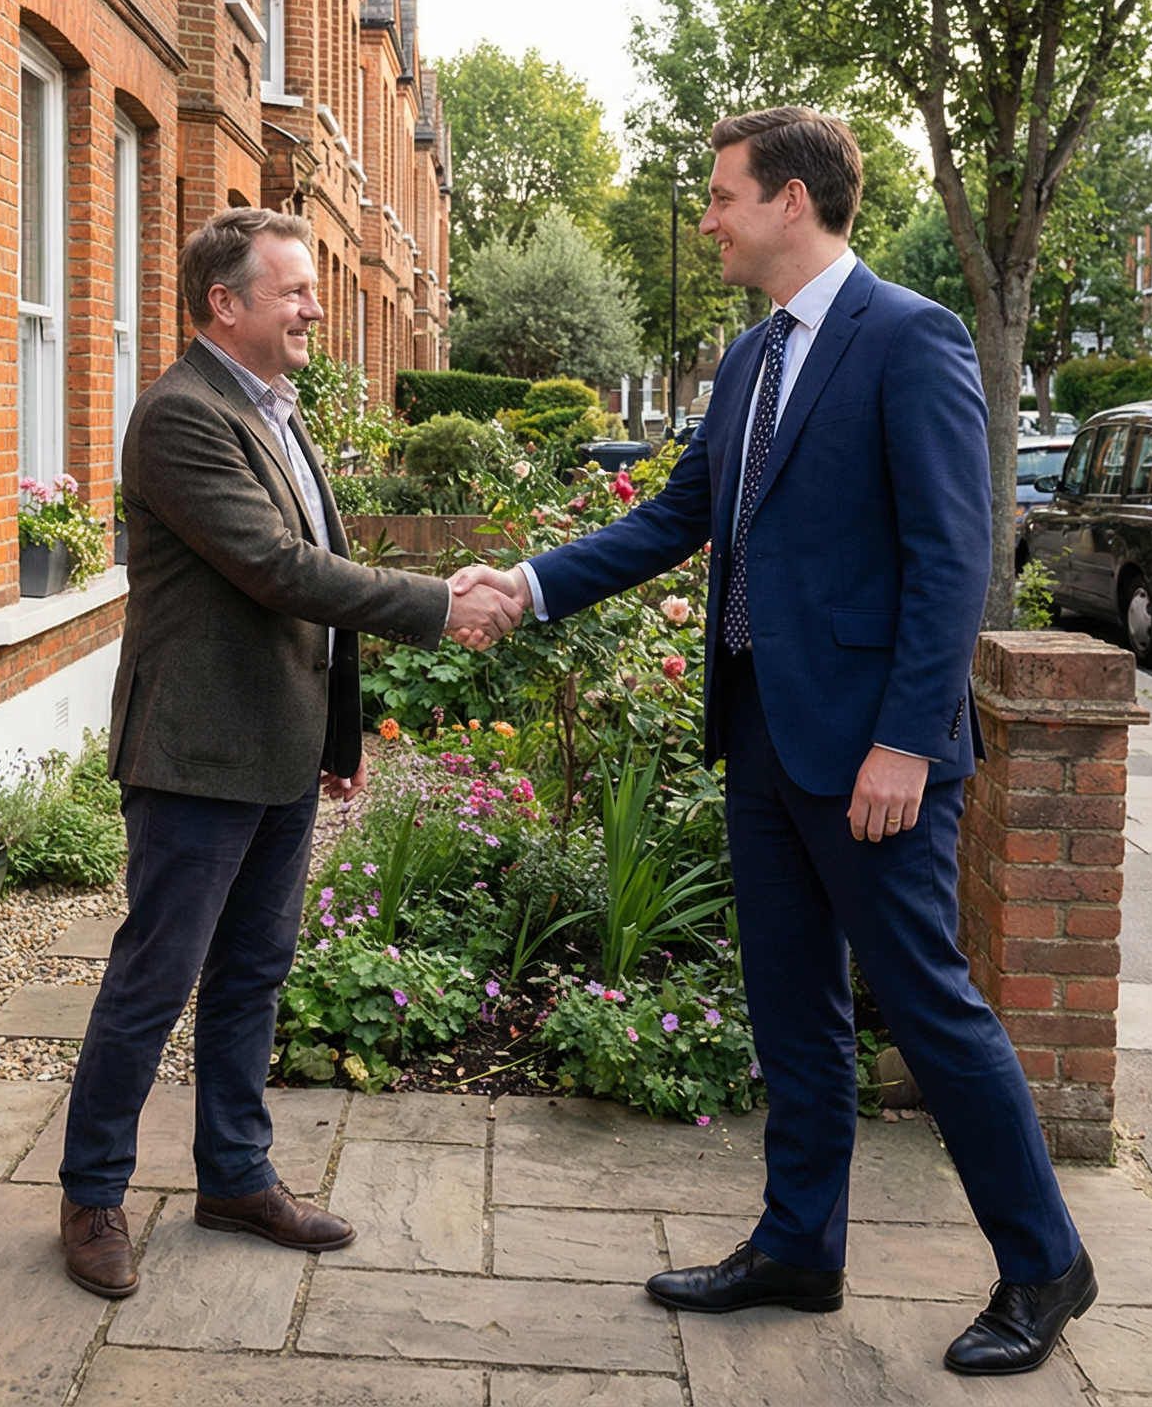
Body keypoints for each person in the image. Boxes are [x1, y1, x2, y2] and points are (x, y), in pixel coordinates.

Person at [453, 107, 1094, 1376]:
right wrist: (526, 584)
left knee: (929, 1005)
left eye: (722, 196)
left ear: (790, 200)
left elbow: (953, 556)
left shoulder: (912, 335)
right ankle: (800, 1244)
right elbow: (674, 517)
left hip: (872, 754)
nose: (709, 219)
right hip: (761, 732)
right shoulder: (751, 359)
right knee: (791, 1005)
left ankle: (1045, 1263)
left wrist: (907, 741)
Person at [57, 205, 520, 1299]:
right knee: (154, 980)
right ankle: (92, 1195)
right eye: (296, 290)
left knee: (253, 974)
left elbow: (311, 583)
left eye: (314, 288)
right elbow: (278, 568)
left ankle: (234, 1176)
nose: (316, 308)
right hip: (195, 756)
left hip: (276, 747)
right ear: (226, 303)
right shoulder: (182, 414)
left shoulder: (271, 408)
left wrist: (336, 733)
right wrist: (439, 602)